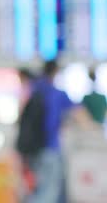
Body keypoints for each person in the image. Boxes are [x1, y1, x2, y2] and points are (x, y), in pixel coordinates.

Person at [23, 60, 93, 203]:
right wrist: (94, 129)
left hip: (33, 149)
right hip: (50, 147)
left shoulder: (35, 89)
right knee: (49, 191)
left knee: (39, 188)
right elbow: (80, 114)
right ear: (55, 72)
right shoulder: (56, 93)